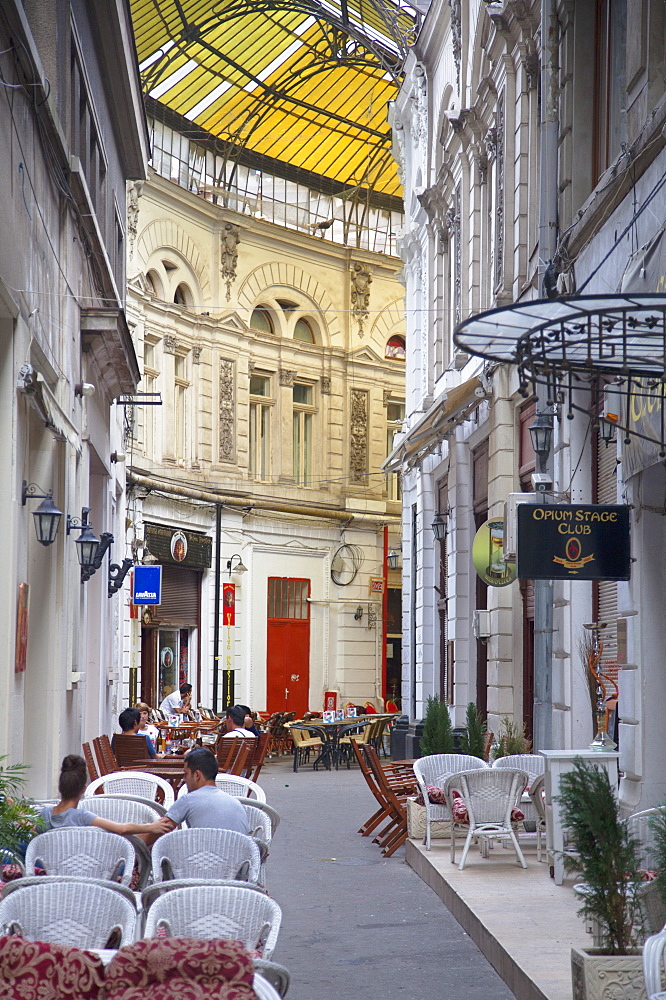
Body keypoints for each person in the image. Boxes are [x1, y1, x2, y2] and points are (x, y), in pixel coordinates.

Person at [39, 755, 170, 844]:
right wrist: (151, 827)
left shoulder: (45, 814)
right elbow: (121, 829)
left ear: (60, 787)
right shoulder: (81, 816)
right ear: (83, 789)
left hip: (50, 872)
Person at [161, 748, 248, 834]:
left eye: (186, 774)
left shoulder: (189, 800)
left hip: (203, 848)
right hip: (240, 847)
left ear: (197, 775)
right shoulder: (236, 803)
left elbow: (150, 838)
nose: (184, 779)